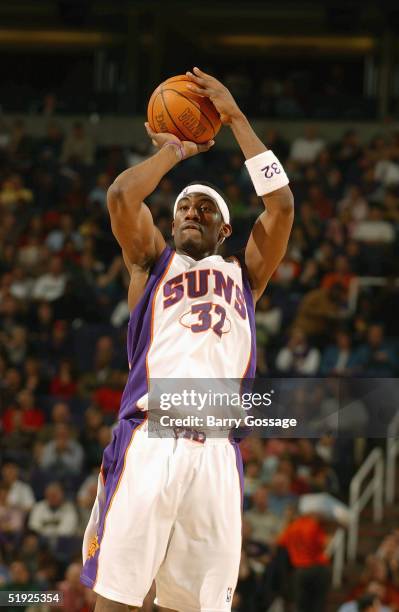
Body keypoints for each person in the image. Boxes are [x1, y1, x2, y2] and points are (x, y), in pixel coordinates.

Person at [80, 66, 294, 612]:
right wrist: (176, 152)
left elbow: (282, 207)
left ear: (225, 230)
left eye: (206, 210)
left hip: (218, 454)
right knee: (118, 600)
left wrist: (237, 119)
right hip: (152, 439)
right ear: (171, 225)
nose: (193, 212)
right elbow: (123, 195)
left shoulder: (245, 275)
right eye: (183, 208)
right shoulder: (150, 265)